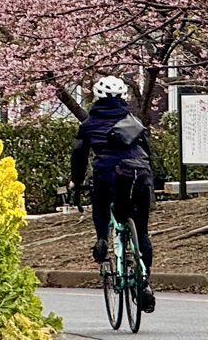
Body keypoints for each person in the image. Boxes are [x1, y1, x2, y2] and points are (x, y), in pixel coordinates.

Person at [70, 76, 155, 312]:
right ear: (123, 97)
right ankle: (144, 281)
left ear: (98, 97)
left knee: (101, 201)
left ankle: (102, 239)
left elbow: (79, 155)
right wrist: (150, 178)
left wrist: (76, 182)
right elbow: (148, 152)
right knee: (143, 231)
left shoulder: (89, 124)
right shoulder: (134, 121)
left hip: (107, 175)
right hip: (139, 174)